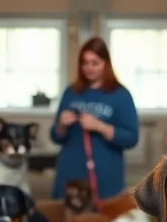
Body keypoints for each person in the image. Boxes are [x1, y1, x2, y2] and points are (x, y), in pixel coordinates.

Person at [50, 36, 140, 200]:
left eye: (95, 63)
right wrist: (61, 124)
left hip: (104, 176)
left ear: (105, 64)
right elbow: (56, 136)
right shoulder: (71, 92)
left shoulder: (120, 95)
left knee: (102, 215)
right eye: (85, 63)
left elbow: (131, 138)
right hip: (69, 172)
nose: (89, 68)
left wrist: (99, 126)